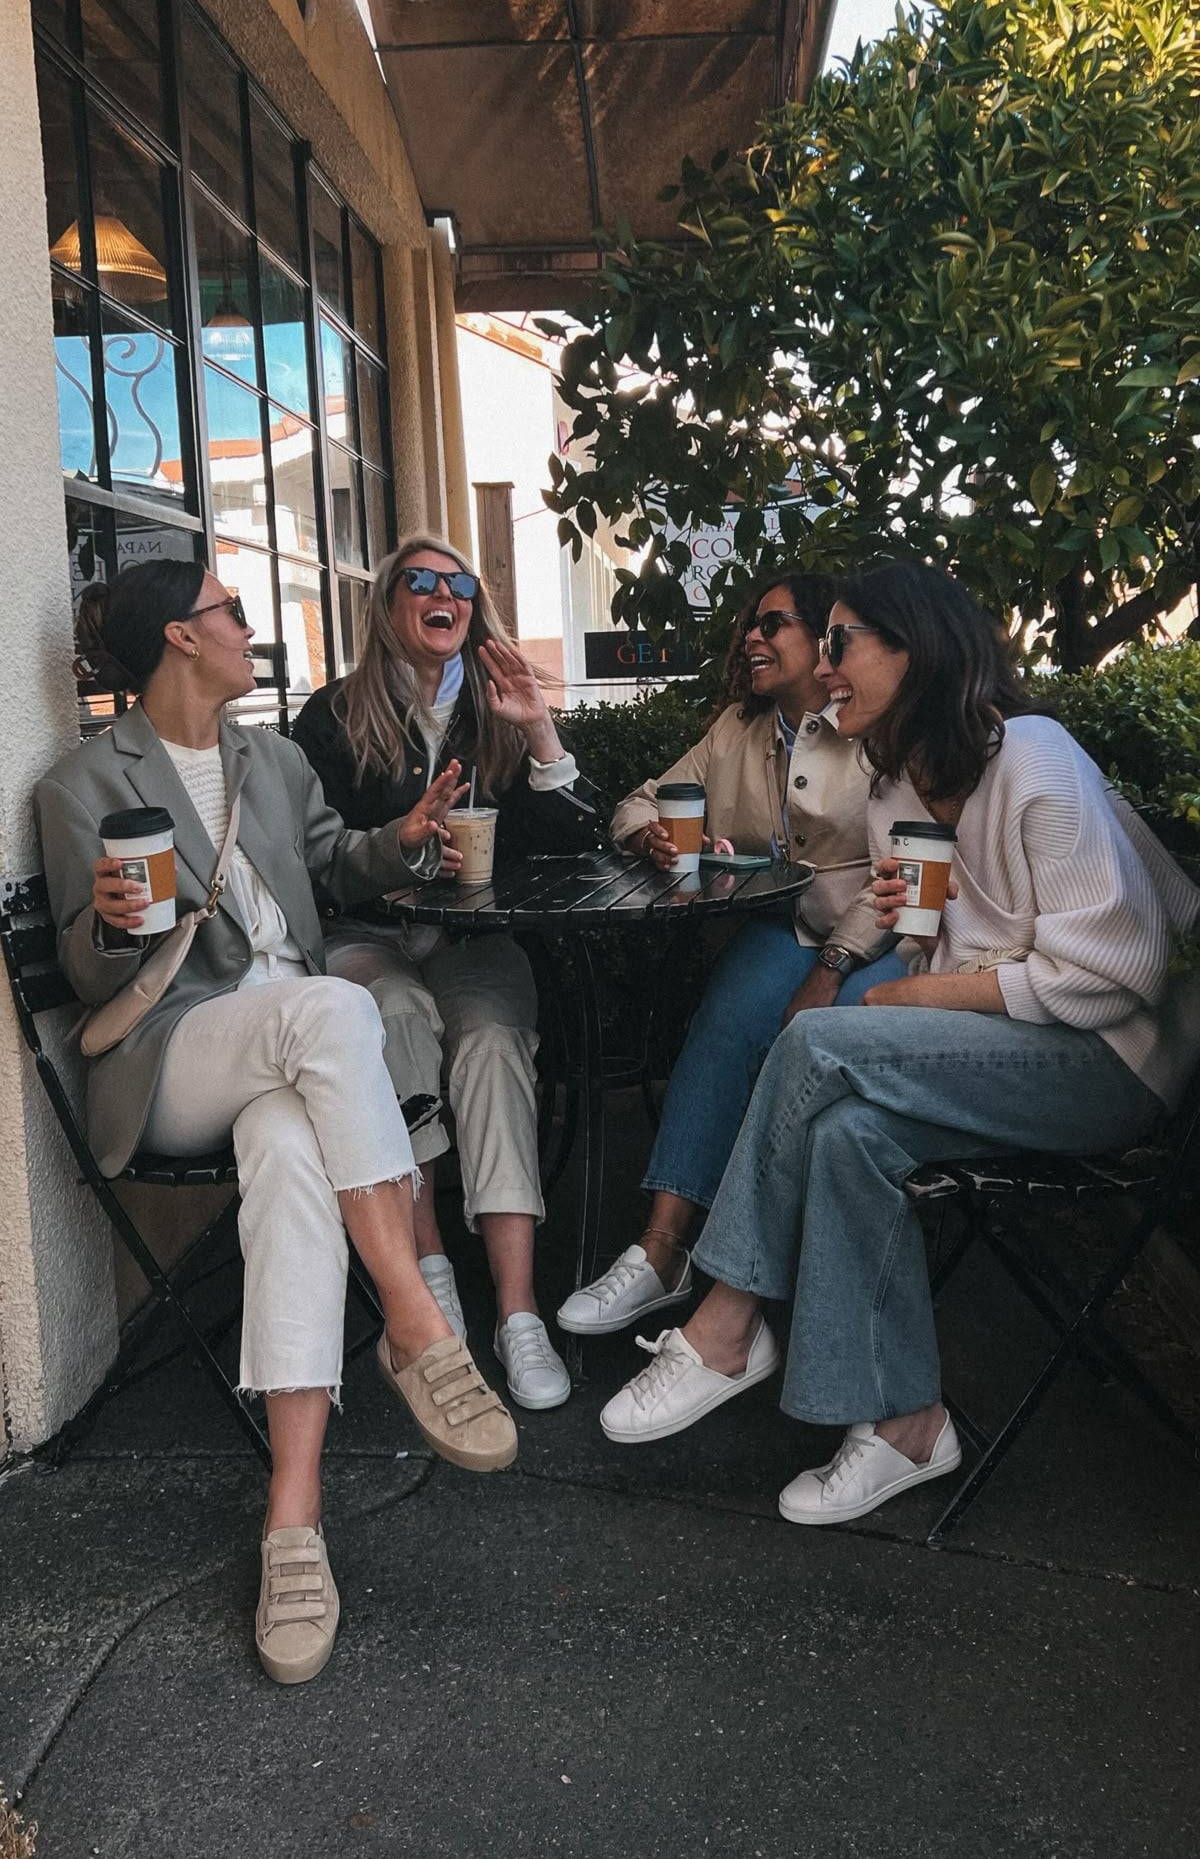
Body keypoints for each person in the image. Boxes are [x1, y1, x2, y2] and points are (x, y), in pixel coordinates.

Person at [598, 562, 1200, 1525]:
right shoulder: (894, 788)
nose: (824, 665)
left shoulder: (1032, 755)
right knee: (847, 1138)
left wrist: (917, 986)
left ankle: (727, 1319)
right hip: (1013, 1048)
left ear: (912, 648)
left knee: (818, 1041)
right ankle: (908, 1422)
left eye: (839, 642)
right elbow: (969, 934)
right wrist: (918, 928)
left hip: (1109, 1062)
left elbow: (1111, 971)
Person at [36, 560, 518, 1686]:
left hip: (299, 1055)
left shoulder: (275, 757)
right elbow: (79, 965)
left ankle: (291, 1519)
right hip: (177, 1048)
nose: (250, 630)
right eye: (231, 613)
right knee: (335, 1005)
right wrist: (108, 924)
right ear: (178, 638)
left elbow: (331, 865)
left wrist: (404, 834)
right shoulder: (78, 784)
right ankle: (412, 1315)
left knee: (296, 1153)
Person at [292, 535, 601, 1413]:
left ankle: (518, 1309)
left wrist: (539, 729)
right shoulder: (333, 715)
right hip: (371, 933)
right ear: (389, 605)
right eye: (418, 582)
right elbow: (314, 863)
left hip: (474, 936)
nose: (442, 593)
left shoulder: (495, 707)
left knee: (497, 1038)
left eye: (457, 582)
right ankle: (430, 1283)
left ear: (474, 604)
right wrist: (402, 839)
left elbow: (571, 841)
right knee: (391, 1018)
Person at [557, 568, 907, 1340]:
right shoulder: (736, 732)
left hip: (878, 933)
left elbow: (904, 878)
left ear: (824, 640)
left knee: (815, 1047)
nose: (751, 635)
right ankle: (663, 1252)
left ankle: (789, 1279)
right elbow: (640, 798)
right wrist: (648, 834)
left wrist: (834, 964)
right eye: (749, 623)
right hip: (783, 930)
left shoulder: (876, 725)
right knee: (721, 1028)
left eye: (772, 622)